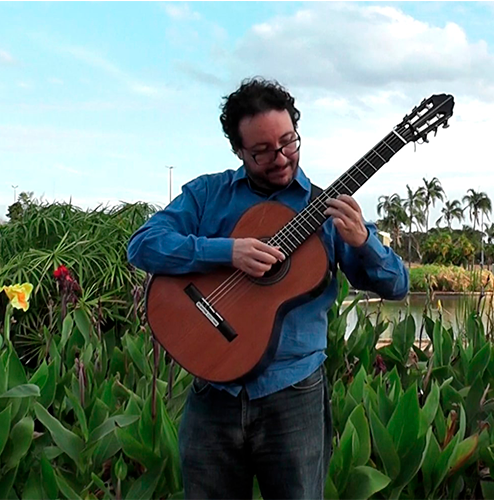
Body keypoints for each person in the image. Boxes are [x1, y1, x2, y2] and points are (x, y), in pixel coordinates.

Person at [126, 77, 409, 500]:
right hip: (212, 390)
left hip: (293, 395)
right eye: (261, 151)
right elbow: (143, 245)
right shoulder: (208, 194)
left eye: (288, 142)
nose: (279, 159)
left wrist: (362, 243)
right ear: (238, 151)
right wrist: (227, 251)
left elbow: (398, 285)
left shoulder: (326, 210)